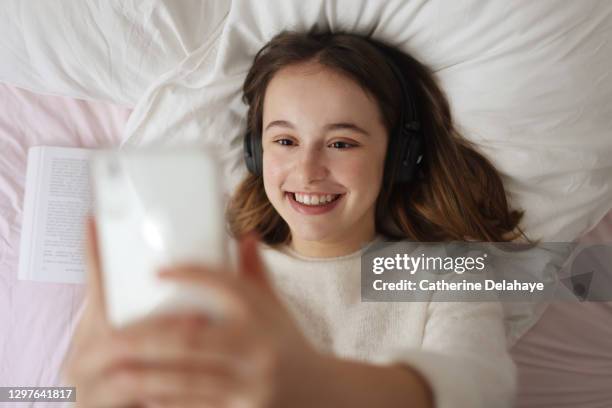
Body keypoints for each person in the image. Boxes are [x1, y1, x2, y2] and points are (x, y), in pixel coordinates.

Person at [62, 30, 527, 408]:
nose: (308, 171)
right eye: (284, 141)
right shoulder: (208, 272)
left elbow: (479, 385)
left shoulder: (447, 273)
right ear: (255, 152)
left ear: (399, 157)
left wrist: (316, 384)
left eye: (342, 143)